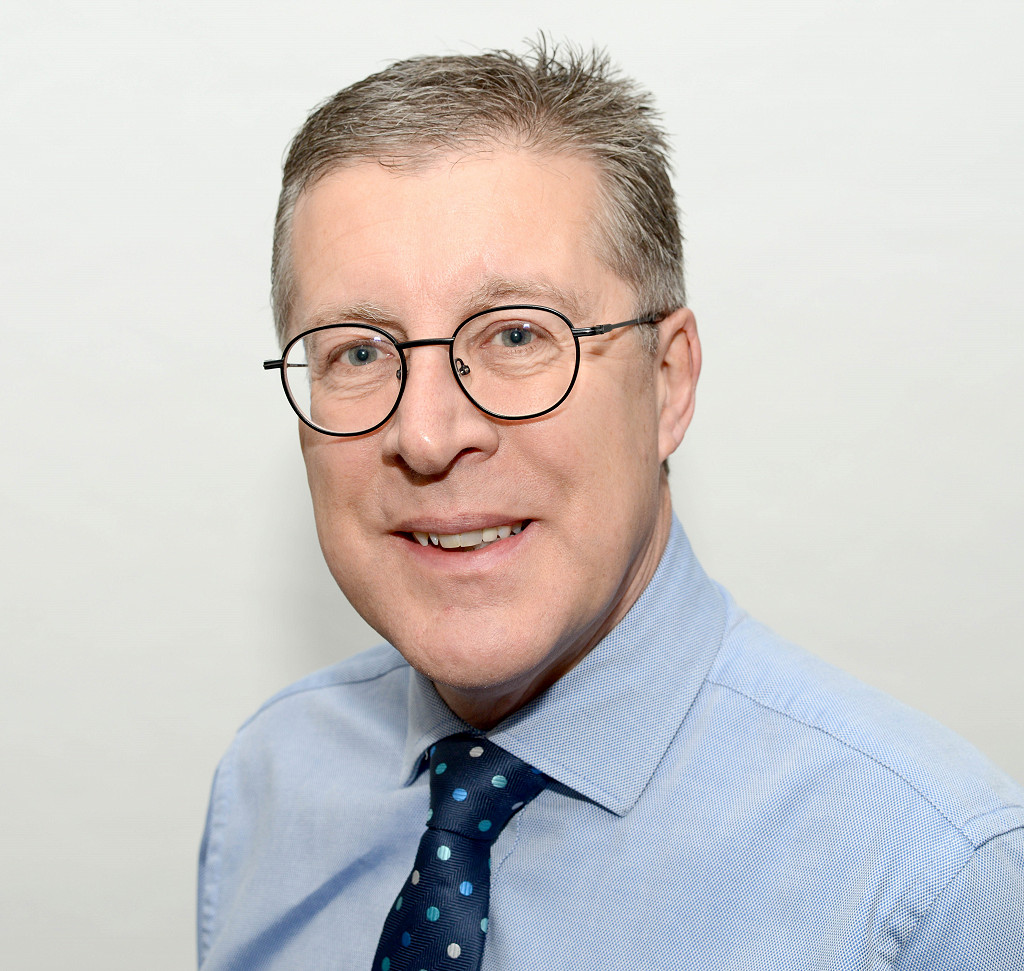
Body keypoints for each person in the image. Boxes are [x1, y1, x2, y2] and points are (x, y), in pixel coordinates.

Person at [197, 41, 1024, 970]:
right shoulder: (269, 784)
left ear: (667, 384)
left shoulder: (935, 885)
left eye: (517, 333)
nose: (427, 436)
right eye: (357, 352)